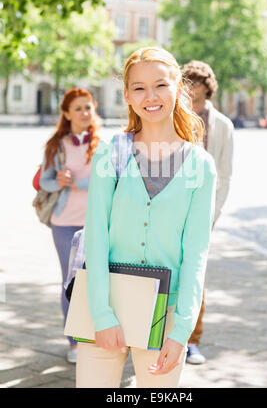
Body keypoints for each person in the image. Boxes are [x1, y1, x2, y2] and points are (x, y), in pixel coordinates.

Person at [76, 47, 217, 388]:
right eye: (138, 87)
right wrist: (101, 314)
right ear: (126, 95)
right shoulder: (111, 154)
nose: (150, 96)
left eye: (161, 85)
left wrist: (182, 331)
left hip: (166, 314)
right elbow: (95, 238)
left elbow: (196, 254)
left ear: (179, 89)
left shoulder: (200, 165)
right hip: (102, 304)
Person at [40, 88, 100, 363]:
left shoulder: (103, 144)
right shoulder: (56, 145)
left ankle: (99, 335)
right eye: (78, 108)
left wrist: (78, 183)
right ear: (66, 113)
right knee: (71, 281)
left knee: (98, 280)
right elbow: (45, 182)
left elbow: (112, 180)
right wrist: (60, 181)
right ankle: (74, 343)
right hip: (64, 223)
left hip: (97, 222)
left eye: (88, 107)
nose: (85, 113)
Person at [181, 60, 234, 365]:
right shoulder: (177, 117)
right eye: (188, 85)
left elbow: (225, 175)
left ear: (208, 89)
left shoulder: (223, 125)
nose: (193, 94)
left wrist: (212, 215)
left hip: (204, 211)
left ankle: (192, 340)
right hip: (172, 207)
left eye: (198, 87)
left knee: (195, 274)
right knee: (165, 272)